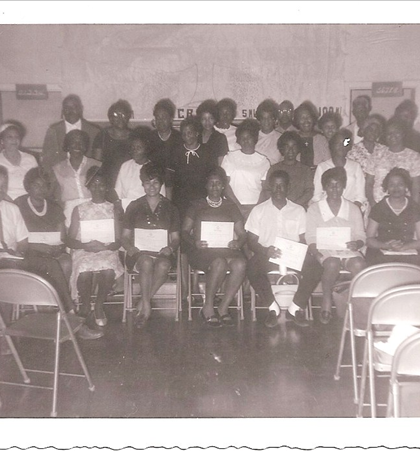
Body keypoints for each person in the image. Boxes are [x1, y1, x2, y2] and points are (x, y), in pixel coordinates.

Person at [0, 166, 102, 343]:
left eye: (2, 186)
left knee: (53, 264)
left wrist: (15, 249)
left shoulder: (11, 209)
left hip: (12, 259)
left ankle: (71, 319)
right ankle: (4, 336)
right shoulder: (20, 204)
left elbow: (23, 241)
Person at [246, 170, 323, 328]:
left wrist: (297, 250)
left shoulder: (299, 210)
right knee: (252, 268)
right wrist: (266, 250)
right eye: (275, 186)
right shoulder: (259, 210)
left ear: (288, 187)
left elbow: (303, 239)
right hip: (268, 254)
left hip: (292, 255)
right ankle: (272, 308)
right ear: (269, 187)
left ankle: (295, 309)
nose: (278, 190)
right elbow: (251, 241)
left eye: (282, 186)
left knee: (315, 268)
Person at [182, 167, 247, 327]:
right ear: (206, 185)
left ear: (223, 186)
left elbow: (242, 233)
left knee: (241, 263)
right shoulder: (196, 205)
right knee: (219, 262)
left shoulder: (231, 206)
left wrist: (238, 242)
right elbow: (184, 231)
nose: (215, 187)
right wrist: (194, 242)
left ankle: (223, 307)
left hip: (226, 249)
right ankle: (208, 307)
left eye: (218, 184)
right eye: (211, 184)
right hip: (202, 250)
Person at [121, 162, 180, 328]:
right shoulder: (134, 206)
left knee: (162, 265)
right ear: (142, 184)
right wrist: (129, 247)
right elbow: (124, 237)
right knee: (146, 261)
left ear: (161, 184)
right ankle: (147, 307)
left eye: (155, 182)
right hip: (138, 252)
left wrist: (171, 248)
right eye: (147, 183)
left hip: (162, 252)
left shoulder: (171, 207)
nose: (151, 186)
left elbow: (175, 238)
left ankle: (143, 302)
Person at [306, 167, 366, 324]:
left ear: (344, 186)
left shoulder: (353, 208)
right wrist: (317, 254)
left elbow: (361, 235)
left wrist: (356, 243)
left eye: (338, 185)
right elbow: (310, 236)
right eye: (330, 185)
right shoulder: (314, 208)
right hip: (325, 250)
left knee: (359, 264)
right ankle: (327, 299)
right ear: (324, 187)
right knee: (332, 263)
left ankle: (356, 304)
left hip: (348, 250)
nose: (334, 189)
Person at [67, 166, 124, 327]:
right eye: (94, 185)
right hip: (84, 249)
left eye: (101, 185)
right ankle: (85, 306)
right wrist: (85, 245)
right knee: (84, 270)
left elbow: (118, 241)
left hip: (106, 250)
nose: (97, 188)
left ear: (106, 187)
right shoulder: (79, 209)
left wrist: (106, 246)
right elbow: (69, 240)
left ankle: (99, 306)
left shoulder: (114, 209)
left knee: (107, 270)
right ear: (88, 187)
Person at [366, 168, 420, 266]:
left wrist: (404, 247)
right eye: (391, 185)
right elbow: (369, 239)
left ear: (406, 187)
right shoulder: (378, 208)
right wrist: (387, 246)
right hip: (382, 250)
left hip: (408, 249)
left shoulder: (415, 208)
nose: (396, 188)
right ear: (387, 188)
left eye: (400, 184)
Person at [168, 116, 216, 221]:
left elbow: (212, 177)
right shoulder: (176, 152)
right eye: (184, 134)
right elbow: (169, 181)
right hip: (180, 200)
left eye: (189, 132)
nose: (186, 136)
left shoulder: (207, 152)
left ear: (196, 133)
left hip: (201, 199)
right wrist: (169, 203)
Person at [221, 118, 270, 219]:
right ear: (238, 140)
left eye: (249, 137)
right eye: (242, 137)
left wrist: (255, 210)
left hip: (256, 208)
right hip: (232, 206)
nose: (245, 140)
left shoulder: (264, 161)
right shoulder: (229, 157)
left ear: (255, 138)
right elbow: (224, 184)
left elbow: (266, 189)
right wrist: (239, 207)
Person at [365, 117, 420, 206]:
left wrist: (414, 208)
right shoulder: (377, 154)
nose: (392, 136)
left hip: (404, 207)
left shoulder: (414, 157)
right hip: (377, 205)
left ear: (402, 134)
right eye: (389, 133)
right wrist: (373, 204)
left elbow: (416, 187)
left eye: (396, 132)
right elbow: (369, 183)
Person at [50, 129, 100, 227]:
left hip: (94, 207)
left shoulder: (96, 165)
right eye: (73, 142)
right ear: (67, 145)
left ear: (85, 146)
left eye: (81, 142)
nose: (77, 145)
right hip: (70, 210)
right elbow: (53, 195)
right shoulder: (58, 168)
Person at [42, 94, 101, 172]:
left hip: (86, 175)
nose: (70, 111)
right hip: (60, 177)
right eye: (67, 108)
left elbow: (97, 160)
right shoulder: (53, 131)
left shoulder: (94, 131)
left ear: (81, 109)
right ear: (62, 111)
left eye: (74, 107)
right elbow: (47, 160)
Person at [312, 129, 366, 208]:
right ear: (332, 145)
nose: (341, 146)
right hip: (327, 209)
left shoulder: (355, 166)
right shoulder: (322, 167)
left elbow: (360, 196)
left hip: (351, 208)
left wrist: (352, 211)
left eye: (345, 143)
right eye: (337, 143)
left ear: (349, 147)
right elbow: (317, 195)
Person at [262, 131, 314, 208]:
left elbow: (309, 192)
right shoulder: (274, 169)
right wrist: (279, 205)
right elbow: (267, 190)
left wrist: (292, 206)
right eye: (287, 147)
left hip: (298, 208)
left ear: (298, 148)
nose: (290, 150)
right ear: (281, 149)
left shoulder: (305, 170)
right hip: (276, 208)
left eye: (294, 146)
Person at [91, 99, 133, 190]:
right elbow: (96, 163)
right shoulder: (102, 136)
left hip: (129, 182)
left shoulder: (134, 136)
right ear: (110, 118)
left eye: (123, 114)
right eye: (115, 115)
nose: (120, 117)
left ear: (129, 116)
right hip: (107, 183)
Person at [114, 127, 154, 210]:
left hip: (145, 211)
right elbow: (118, 193)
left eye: (139, 148)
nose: (135, 150)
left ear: (146, 148)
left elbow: (159, 198)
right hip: (125, 209)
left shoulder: (154, 168)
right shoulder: (125, 166)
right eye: (133, 148)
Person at [0, 123, 38, 201]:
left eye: (17, 137)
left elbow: (38, 183)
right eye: (9, 137)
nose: (14, 140)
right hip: (7, 201)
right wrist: (12, 204)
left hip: (30, 201)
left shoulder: (30, 158)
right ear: (2, 141)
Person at [148, 98, 183, 177]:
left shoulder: (179, 138)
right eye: (158, 117)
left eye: (164, 117)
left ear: (171, 119)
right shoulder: (149, 138)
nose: (161, 121)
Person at [293, 101, 330, 169]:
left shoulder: (321, 139)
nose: (306, 120)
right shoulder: (292, 139)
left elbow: (328, 164)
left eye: (308, 117)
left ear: (313, 118)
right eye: (302, 118)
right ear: (297, 120)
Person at [196, 99, 229, 165]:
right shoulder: (195, 136)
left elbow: (221, 163)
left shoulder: (220, 138)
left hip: (214, 174)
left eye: (210, 118)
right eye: (204, 119)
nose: (207, 122)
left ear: (215, 119)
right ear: (200, 120)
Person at [255, 99, 282, 165]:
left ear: (275, 119)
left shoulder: (281, 138)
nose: (266, 121)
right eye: (263, 118)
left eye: (269, 118)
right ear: (259, 120)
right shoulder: (253, 137)